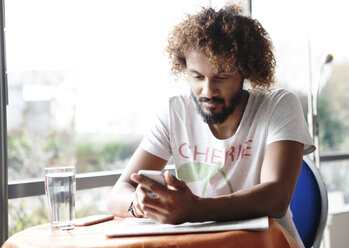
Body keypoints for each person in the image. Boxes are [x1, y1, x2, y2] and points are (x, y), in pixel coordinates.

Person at [107, 4, 315, 247]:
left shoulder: (278, 105)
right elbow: (117, 193)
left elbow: (276, 197)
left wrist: (194, 208)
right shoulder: (175, 113)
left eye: (221, 77)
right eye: (197, 77)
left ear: (245, 72)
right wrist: (139, 204)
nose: (207, 91)